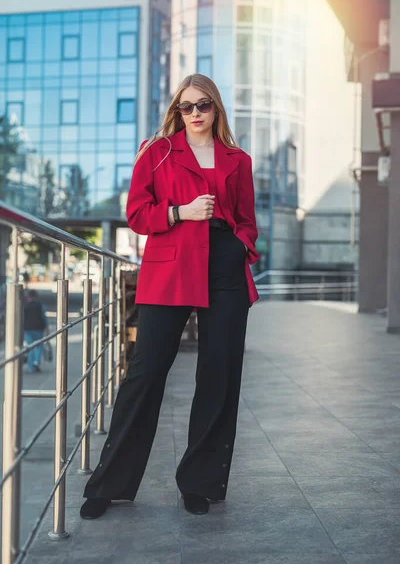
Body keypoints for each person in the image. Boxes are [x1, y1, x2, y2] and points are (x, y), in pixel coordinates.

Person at [80, 73, 260, 520]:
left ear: (216, 108)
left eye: (204, 105)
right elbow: (137, 215)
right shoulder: (156, 153)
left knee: (219, 376)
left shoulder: (237, 159)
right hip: (171, 263)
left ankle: (200, 484)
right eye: (186, 106)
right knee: (146, 373)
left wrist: (239, 246)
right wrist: (180, 212)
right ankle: (110, 484)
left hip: (222, 266)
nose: (195, 113)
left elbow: (247, 219)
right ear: (176, 111)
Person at [23, 289, 48, 372]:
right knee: (38, 346)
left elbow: (22, 318)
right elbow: (44, 318)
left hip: (27, 329)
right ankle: (36, 362)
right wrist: (46, 328)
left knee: (30, 348)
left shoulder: (25, 306)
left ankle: (31, 367)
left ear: (28, 297)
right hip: (38, 329)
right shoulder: (41, 305)